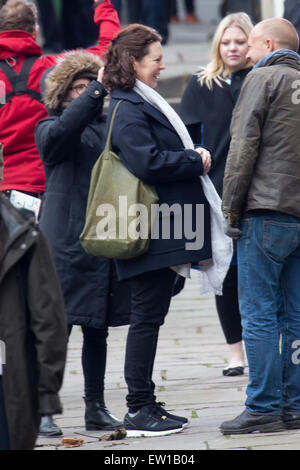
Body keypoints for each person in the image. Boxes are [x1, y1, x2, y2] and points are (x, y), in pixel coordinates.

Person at [102, 23, 215, 437]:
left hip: (161, 228)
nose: (162, 66)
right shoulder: (128, 106)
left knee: (152, 314)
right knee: (146, 317)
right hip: (147, 229)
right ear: (133, 62)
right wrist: (193, 160)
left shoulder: (137, 101)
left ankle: (145, 403)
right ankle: (138, 408)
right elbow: (146, 162)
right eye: (156, 60)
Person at [35, 51, 131, 431]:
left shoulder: (111, 126)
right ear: (62, 94)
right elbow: (61, 135)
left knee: (97, 328)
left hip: (102, 242)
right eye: (76, 87)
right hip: (63, 245)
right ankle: (43, 410)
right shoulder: (50, 127)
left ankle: (96, 407)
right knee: (54, 331)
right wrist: (96, 90)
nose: (85, 92)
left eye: (88, 85)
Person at [220, 18, 300, 434]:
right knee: (296, 315)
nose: (246, 55)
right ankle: (294, 404)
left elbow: (243, 146)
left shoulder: (263, 77)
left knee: (259, 316)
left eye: (250, 45)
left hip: (264, 213)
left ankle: (263, 405)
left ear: (268, 44)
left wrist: (229, 210)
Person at [180, 12, 253, 377]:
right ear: (217, 45)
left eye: (240, 41)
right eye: (227, 42)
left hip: (257, 190)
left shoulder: (260, 80)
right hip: (216, 191)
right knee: (227, 274)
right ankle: (235, 353)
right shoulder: (201, 83)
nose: (233, 48)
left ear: (251, 43)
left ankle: (262, 346)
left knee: (256, 274)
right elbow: (186, 136)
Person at [0, 0, 120, 215]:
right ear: (35, 32)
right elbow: (110, 50)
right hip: (49, 187)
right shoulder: (54, 69)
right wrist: (103, 5)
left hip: (4, 189)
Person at [0, 191, 68, 450]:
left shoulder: (22, 232)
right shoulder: (22, 230)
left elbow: (48, 317)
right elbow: (49, 318)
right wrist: (47, 391)